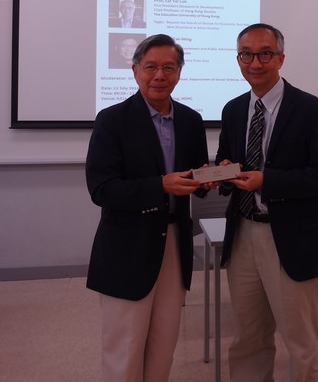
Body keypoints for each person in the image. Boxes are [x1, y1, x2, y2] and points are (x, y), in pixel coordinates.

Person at [216, 23, 318, 382]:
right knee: (247, 338)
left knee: (300, 341)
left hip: (291, 238)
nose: (255, 63)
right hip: (242, 235)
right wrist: (224, 172)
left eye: (265, 54)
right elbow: (229, 159)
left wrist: (267, 181)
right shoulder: (233, 109)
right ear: (238, 59)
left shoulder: (309, 109)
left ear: (280, 58)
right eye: (246, 54)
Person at [85, 33, 210, 382]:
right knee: (124, 346)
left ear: (179, 72)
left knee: (164, 342)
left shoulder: (190, 119)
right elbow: (102, 188)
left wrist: (210, 180)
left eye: (169, 67)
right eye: (151, 67)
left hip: (174, 240)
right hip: (128, 245)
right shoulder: (112, 120)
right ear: (135, 70)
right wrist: (159, 186)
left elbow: (194, 177)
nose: (160, 75)